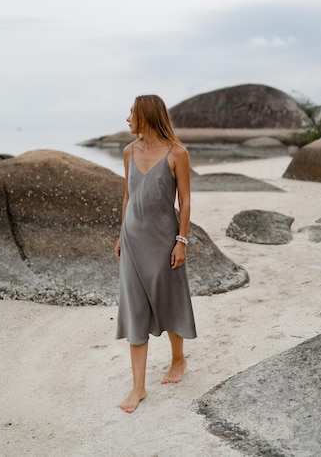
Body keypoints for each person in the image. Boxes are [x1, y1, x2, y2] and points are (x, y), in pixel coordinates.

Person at [114, 94, 197, 413]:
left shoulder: (178, 153)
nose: (128, 118)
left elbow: (185, 201)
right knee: (135, 308)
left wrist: (182, 240)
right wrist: (121, 234)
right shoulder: (128, 152)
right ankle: (138, 387)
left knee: (169, 299)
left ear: (146, 116)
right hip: (133, 242)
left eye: (132, 112)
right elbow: (128, 196)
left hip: (164, 241)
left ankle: (178, 359)